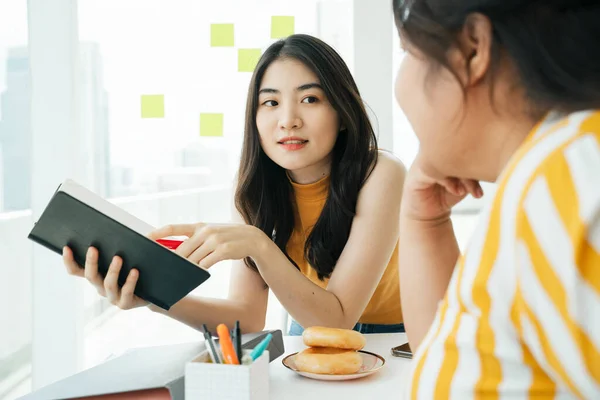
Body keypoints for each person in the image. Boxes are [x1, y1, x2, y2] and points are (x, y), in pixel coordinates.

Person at [63, 34, 406, 336]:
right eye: (270, 102)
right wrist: (155, 296)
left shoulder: (381, 173)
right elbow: (246, 317)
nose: (288, 120)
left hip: (399, 331)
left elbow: (339, 320)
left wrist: (259, 245)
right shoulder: (253, 190)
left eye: (310, 99)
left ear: (343, 113)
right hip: (311, 320)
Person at [392, 0, 600, 397]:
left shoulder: (568, 175)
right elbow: (459, 357)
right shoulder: (545, 179)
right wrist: (425, 222)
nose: (400, 84)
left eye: (407, 52)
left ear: (472, 48)